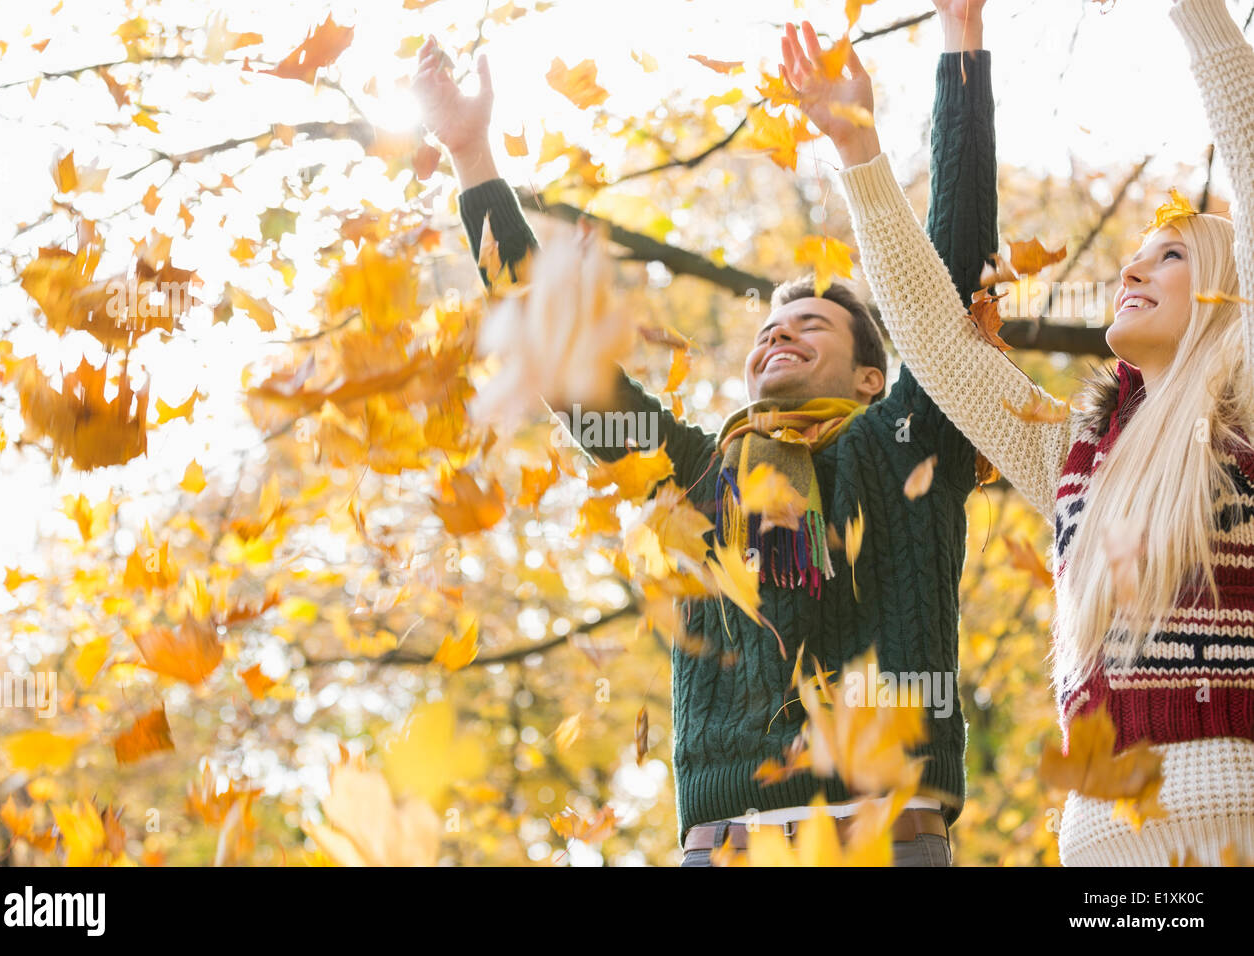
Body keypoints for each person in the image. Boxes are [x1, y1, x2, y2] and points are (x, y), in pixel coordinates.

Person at [413, 0, 995, 866]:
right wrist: (470, 155)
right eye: (769, 325)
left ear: (872, 376)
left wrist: (959, 40)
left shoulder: (907, 437)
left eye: (812, 324)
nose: (780, 331)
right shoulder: (698, 477)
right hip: (722, 850)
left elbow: (951, 274)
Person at [791, 0, 1254, 865]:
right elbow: (934, 336)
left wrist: (1196, 10)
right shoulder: (1076, 458)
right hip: (1102, 850)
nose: (1132, 266)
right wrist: (857, 150)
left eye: (1172, 256)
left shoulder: (1246, 414)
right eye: (1139, 253)